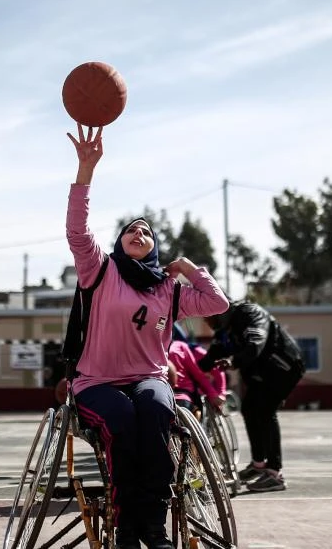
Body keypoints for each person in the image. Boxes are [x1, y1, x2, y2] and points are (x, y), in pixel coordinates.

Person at [65, 123, 229, 549]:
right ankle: (126, 526)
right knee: (120, 420)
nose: (139, 234)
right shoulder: (100, 271)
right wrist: (86, 171)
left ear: (154, 247)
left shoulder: (168, 289)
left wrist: (189, 268)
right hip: (96, 381)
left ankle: (153, 524)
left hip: (148, 377)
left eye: (147, 232)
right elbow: (78, 233)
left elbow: (217, 304)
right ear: (119, 242)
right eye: (131, 229)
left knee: (155, 410)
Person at [199, 299, 304, 493]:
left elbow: (255, 344)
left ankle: (274, 474)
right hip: (263, 371)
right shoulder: (224, 328)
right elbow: (212, 355)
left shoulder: (249, 313)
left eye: (208, 317)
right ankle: (259, 465)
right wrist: (193, 367)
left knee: (265, 411)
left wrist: (233, 362)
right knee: (249, 409)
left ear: (219, 311)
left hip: (284, 367)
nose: (206, 321)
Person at [167, 339, 224, 417]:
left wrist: (218, 394)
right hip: (176, 395)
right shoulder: (179, 346)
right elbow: (198, 374)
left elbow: (201, 374)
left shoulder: (193, 350)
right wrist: (214, 394)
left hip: (174, 395)